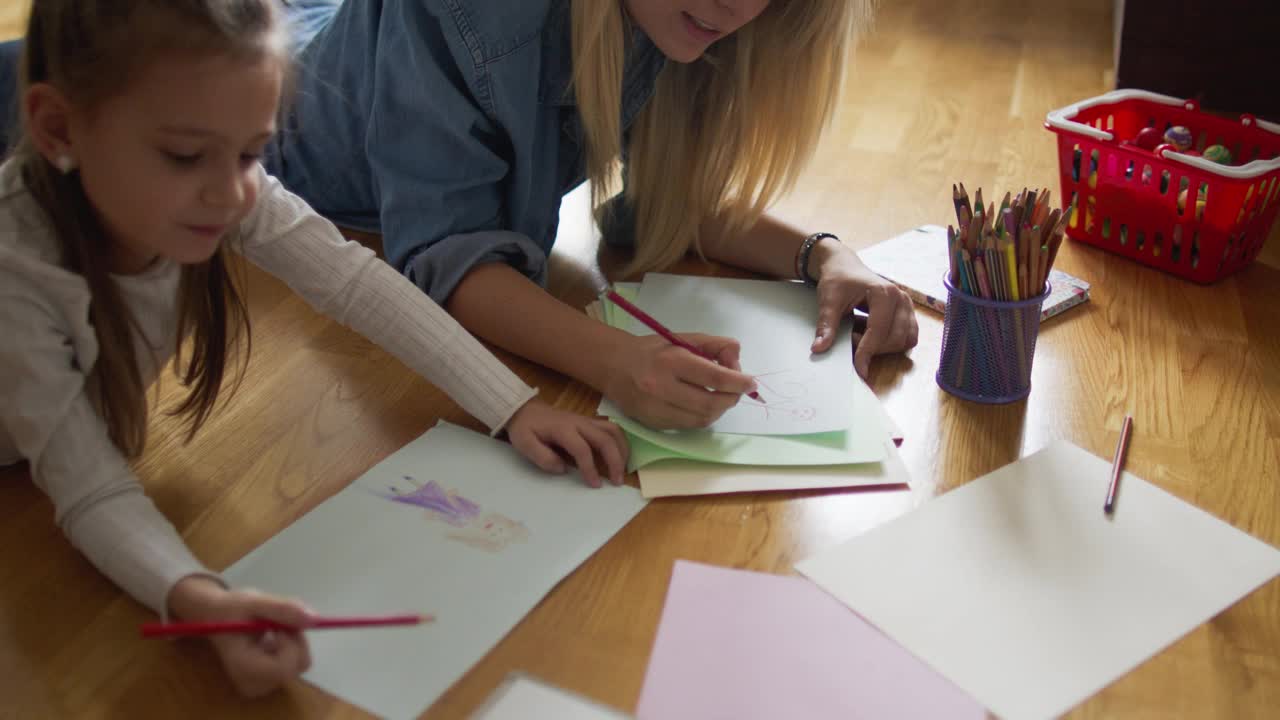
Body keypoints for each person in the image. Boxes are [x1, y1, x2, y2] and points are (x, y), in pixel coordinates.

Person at [0, 0, 628, 697]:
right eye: (183, 155)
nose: (232, 190)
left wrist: (514, 406)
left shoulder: (218, 186)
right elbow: (88, 487)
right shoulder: (16, 277)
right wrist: (199, 597)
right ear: (58, 128)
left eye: (250, 151)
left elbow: (354, 282)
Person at [260, 0, 920, 430]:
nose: (738, 6)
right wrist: (617, 362)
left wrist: (826, 256)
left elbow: (667, 200)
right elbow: (447, 258)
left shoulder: (682, 18)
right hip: (288, 149)